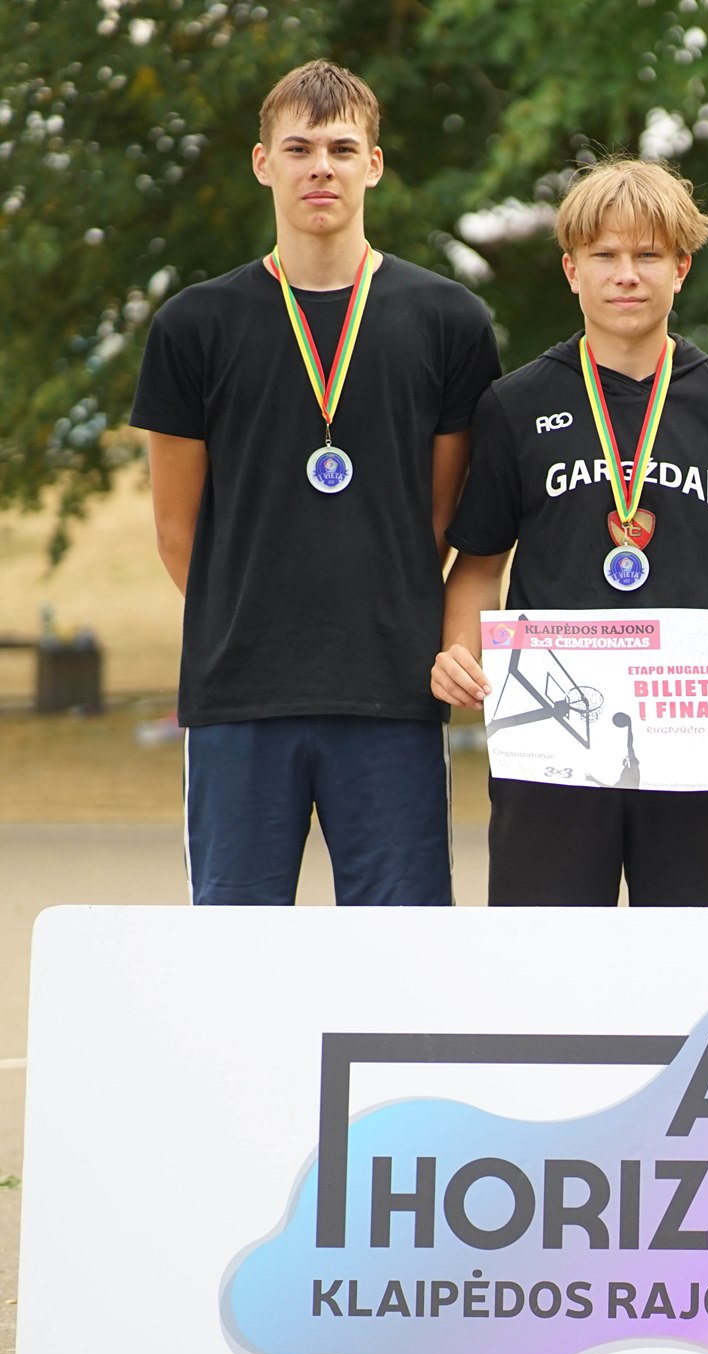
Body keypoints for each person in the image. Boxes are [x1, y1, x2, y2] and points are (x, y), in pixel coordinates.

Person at [132, 60, 500, 905]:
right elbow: (177, 531)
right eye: (298, 148)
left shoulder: (449, 321)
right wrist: (258, 619)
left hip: (391, 692)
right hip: (239, 696)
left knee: (397, 948)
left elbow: (440, 516)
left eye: (341, 147)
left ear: (374, 163)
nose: (320, 167)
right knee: (237, 941)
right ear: (264, 164)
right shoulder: (194, 325)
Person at [429, 158, 708, 906]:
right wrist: (456, 654)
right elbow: (477, 564)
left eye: (647, 256)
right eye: (604, 255)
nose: (625, 275)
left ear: (682, 268)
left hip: (700, 738)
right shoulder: (515, 405)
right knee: (549, 971)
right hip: (554, 742)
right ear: (571, 270)